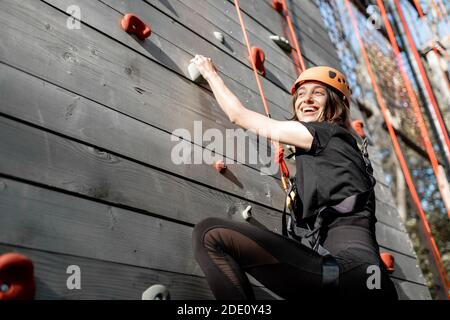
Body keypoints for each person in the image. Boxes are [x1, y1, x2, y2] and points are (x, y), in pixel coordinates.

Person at [190, 54, 398, 300]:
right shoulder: (343, 150)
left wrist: (210, 72)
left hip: (348, 274)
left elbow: (239, 116)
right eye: (301, 94)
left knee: (210, 235)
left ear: (335, 103)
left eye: (318, 93)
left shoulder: (326, 134)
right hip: (372, 281)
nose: (306, 99)